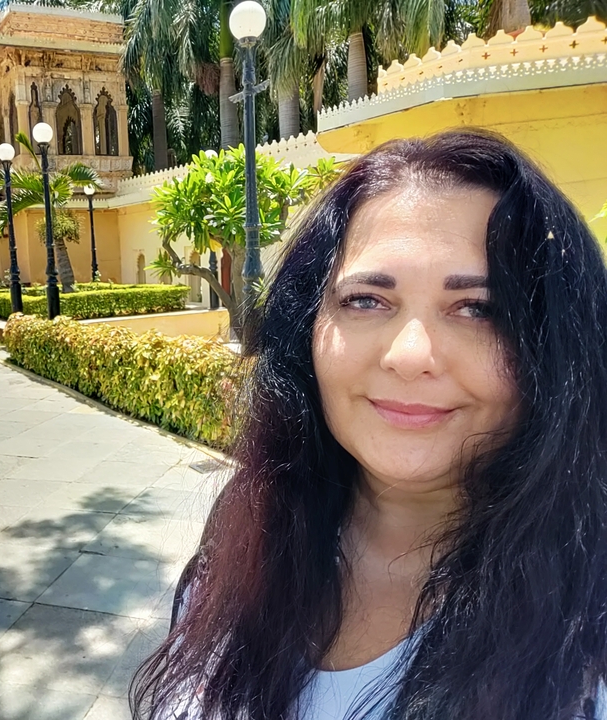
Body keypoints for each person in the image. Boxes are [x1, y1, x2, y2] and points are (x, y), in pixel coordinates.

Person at [131, 130, 607, 720]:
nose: (410, 354)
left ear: (554, 348)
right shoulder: (253, 527)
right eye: (366, 300)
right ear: (307, 327)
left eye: (479, 308)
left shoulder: (587, 632)